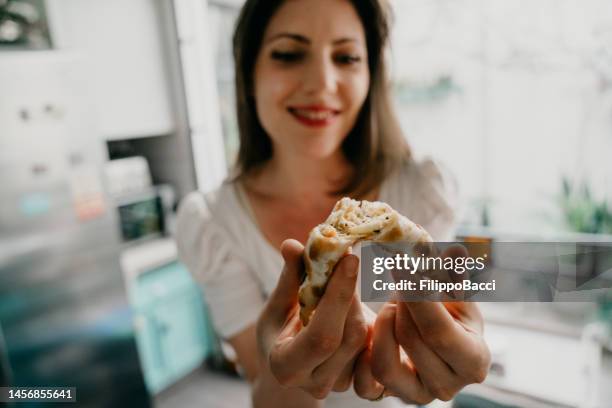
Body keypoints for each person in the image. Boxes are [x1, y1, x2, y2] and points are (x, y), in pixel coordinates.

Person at [176, 0, 491, 406]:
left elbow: (446, 311)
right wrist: (281, 371)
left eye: (346, 57)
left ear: (370, 75)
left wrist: (456, 345)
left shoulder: (421, 190)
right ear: (249, 72)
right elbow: (264, 390)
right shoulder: (212, 225)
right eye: (289, 54)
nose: (322, 83)